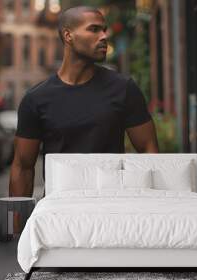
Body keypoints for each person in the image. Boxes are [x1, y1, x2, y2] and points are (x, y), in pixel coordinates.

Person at [9, 6, 159, 203]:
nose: (104, 36)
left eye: (104, 30)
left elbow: (149, 152)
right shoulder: (36, 99)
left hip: (112, 207)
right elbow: (22, 167)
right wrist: (17, 230)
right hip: (59, 211)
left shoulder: (124, 89)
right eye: (94, 29)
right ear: (68, 36)